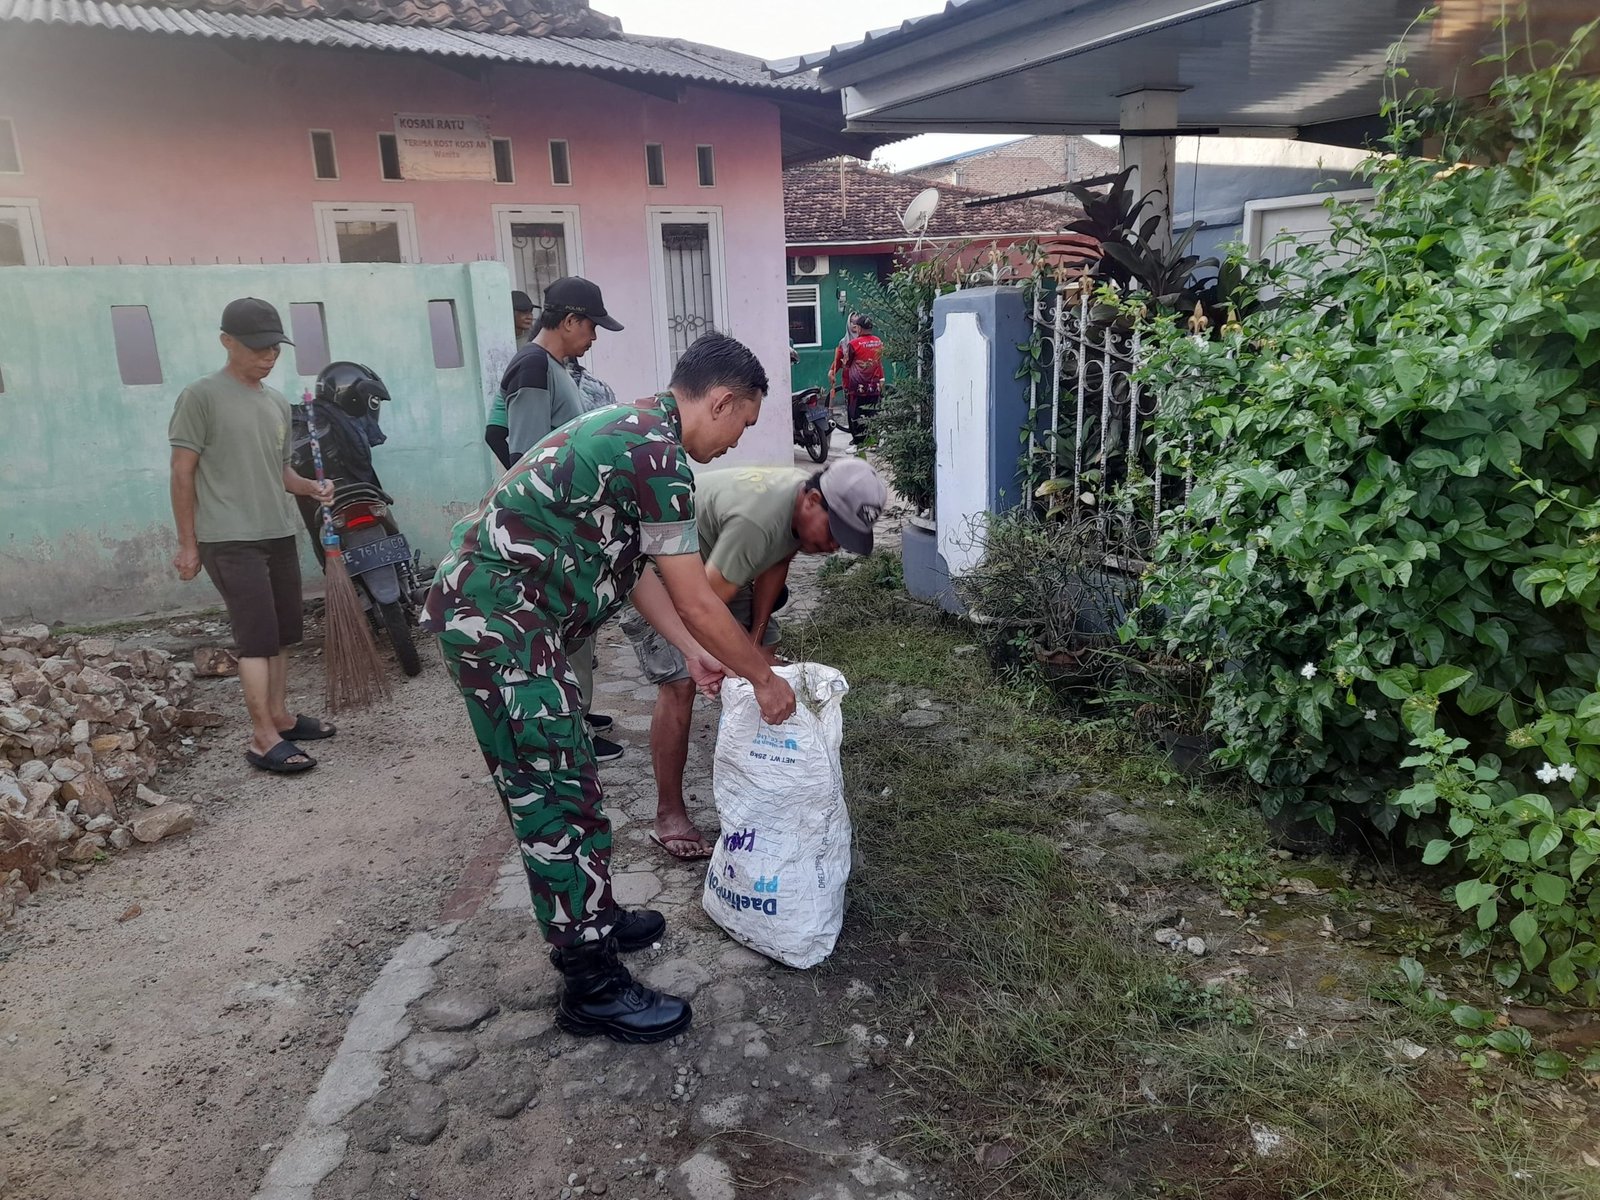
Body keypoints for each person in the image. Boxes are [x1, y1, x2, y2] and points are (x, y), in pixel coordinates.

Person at [423, 332, 798, 1044]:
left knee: (574, 783)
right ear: (719, 401)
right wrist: (760, 675)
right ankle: (588, 983)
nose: (735, 443)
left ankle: (594, 917)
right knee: (556, 795)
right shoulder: (655, 453)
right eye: (740, 424)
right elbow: (696, 596)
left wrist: (692, 653)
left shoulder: (640, 435)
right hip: (499, 629)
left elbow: (644, 575)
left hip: (515, 625)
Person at [623, 457, 888, 859]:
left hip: (721, 567)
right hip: (664, 571)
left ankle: (760, 777)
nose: (834, 546)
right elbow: (700, 607)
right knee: (680, 682)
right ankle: (668, 814)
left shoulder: (797, 506)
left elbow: (777, 560)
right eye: (836, 532)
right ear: (813, 500)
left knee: (763, 658)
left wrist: (756, 637)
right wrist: (732, 665)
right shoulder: (758, 521)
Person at [168, 298, 337, 775]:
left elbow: (280, 470)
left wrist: (312, 487)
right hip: (229, 537)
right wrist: (188, 543)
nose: (269, 356)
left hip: (277, 530)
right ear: (227, 342)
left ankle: (279, 717)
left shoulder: (275, 402)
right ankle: (262, 738)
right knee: (256, 639)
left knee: (283, 635)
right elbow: (183, 472)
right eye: (258, 347)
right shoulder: (200, 396)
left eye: (275, 348)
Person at [481, 278, 627, 759]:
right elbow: (527, 457)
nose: (595, 337)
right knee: (563, 632)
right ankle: (572, 729)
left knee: (575, 631)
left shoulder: (552, 366)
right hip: (552, 528)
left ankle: (578, 714)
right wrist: (556, 530)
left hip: (565, 522)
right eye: (592, 326)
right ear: (568, 321)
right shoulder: (533, 367)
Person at [841, 314, 885, 442]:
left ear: (859, 328)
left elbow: (847, 363)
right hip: (875, 386)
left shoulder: (853, 344)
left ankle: (859, 443)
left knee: (855, 415)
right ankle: (873, 441)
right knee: (873, 413)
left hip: (857, 387)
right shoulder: (878, 341)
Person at [826, 313, 860, 399]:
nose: (854, 324)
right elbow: (838, 359)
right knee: (851, 409)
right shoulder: (844, 342)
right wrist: (831, 372)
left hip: (865, 381)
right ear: (848, 323)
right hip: (849, 382)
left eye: (857, 321)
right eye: (852, 321)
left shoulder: (866, 341)